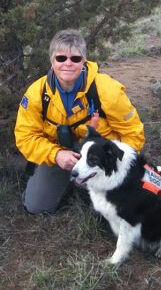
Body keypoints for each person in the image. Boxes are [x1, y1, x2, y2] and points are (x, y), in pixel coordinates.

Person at [14, 28, 145, 214]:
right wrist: (56, 155)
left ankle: (94, 183)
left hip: (101, 157)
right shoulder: (36, 93)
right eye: (61, 58)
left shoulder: (107, 90)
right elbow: (25, 136)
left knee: (114, 211)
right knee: (36, 206)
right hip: (61, 154)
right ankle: (66, 179)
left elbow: (133, 132)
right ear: (52, 60)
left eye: (75, 58)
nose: (68, 64)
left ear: (83, 61)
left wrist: (119, 164)